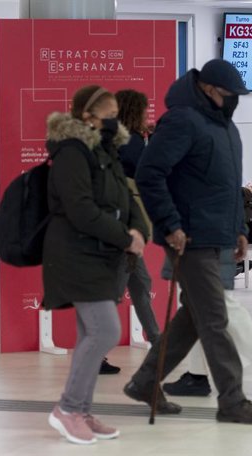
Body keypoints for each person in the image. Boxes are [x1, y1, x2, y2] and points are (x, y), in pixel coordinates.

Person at [124, 58, 252, 425]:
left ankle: (145, 381)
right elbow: (150, 174)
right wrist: (170, 224)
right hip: (189, 238)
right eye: (229, 94)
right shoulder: (181, 121)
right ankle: (232, 400)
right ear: (208, 89)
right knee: (215, 319)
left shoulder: (226, 128)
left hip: (218, 235)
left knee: (192, 319)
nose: (234, 101)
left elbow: (228, 187)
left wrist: (239, 228)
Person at [42, 85, 148, 444]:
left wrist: (139, 228)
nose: (115, 120)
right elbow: (81, 209)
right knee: (104, 330)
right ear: (87, 117)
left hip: (102, 254)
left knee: (92, 332)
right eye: (108, 113)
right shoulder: (72, 152)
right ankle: (68, 409)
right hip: (75, 255)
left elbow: (126, 194)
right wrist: (124, 236)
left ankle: (81, 411)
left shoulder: (107, 149)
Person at [162, 248, 252, 397]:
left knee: (219, 303)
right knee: (197, 308)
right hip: (210, 245)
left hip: (204, 247)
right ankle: (197, 376)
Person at [114, 88, 161, 346]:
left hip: (124, 223)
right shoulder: (130, 142)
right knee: (118, 288)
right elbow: (148, 171)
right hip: (127, 226)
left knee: (140, 283)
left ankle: (157, 340)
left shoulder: (118, 140)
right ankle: (96, 351)